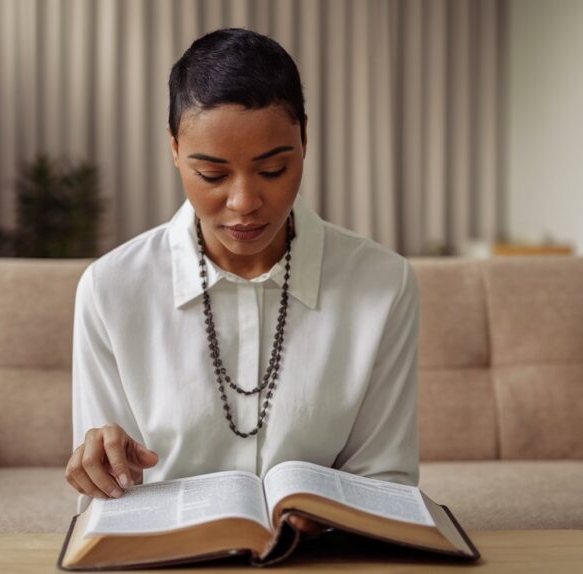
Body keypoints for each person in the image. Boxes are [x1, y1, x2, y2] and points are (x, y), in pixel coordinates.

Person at [64, 28, 419, 539]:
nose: (244, 202)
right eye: (211, 175)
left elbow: (387, 479)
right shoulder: (110, 289)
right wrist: (100, 465)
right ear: (174, 150)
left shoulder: (384, 284)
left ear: (305, 142)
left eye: (273, 169)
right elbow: (107, 489)